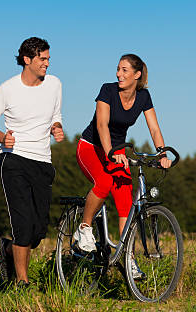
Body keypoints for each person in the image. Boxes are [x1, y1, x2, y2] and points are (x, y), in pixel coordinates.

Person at [73, 53, 171, 279]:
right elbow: (101, 124)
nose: (119, 74)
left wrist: (162, 153)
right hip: (91, 147)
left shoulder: (144, 97)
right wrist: (109, 152)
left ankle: (128, 258)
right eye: (118, 69)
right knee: (105, 182)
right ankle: (84, 229)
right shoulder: (107, 90)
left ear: (137, 75)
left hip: (116, 152)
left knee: (127, 201)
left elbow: (154, 129)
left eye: (124, 70)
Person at [0, 37, 64, 288]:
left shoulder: (55, 85)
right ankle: (22, 283)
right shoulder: (7, 89)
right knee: (23, 226)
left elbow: (56, 117)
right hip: (14, 160)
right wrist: (2, 137)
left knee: (37, 233)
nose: (47, 64)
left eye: (48, 59)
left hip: (42, 162)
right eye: (43, 59)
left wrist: (57, 128)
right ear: (27, 59)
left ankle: (6, 249)